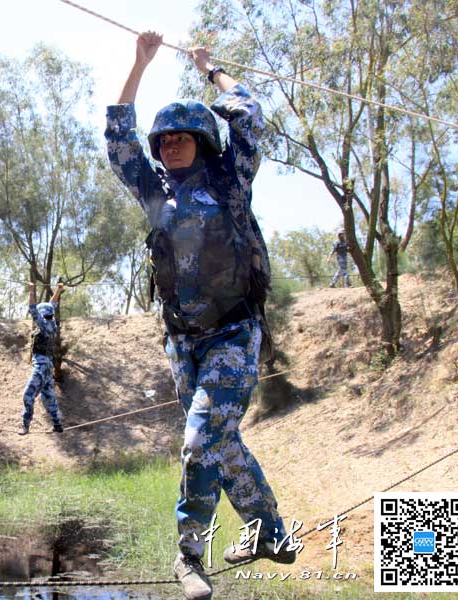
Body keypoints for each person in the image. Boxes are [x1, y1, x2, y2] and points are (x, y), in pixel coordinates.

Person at [105, 32, 295, 600]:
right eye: (165, 139)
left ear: (203, 143)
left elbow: (250, 114)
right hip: (182, 344)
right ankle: (271, 532)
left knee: (197, 443)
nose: (171, 146)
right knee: (220, 440)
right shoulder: (152, 190)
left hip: (234, 332)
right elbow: (117, 136)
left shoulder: (229, 182)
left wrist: (210, 71)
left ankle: (189, 557)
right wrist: (138, 65)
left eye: (184, 138)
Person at [19, 281, 65, 436]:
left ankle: (25, 425)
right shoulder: (51, 323)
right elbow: (53, 304)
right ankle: (58, 425)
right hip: (48, 368)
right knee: (48, 398)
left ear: (42, 314)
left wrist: (31, 290)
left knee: (27, 395)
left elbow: (32, 309)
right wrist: (58, 290)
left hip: (41, 366)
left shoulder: (44, 325)